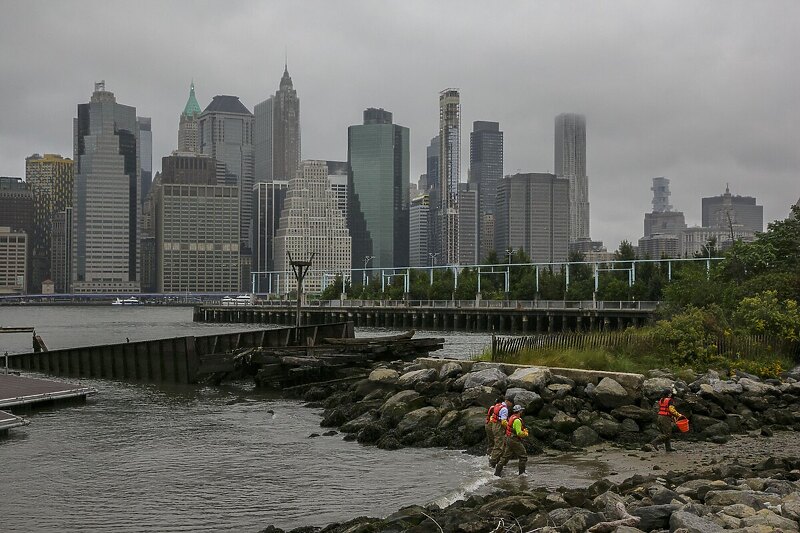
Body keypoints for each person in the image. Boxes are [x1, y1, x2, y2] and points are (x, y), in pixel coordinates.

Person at [494, 404, 529, 476]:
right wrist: (525, 433)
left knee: (505, 457)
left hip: (508, 438)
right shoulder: (517, 420)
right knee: (523, 456)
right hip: (514, 440)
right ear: (519, 412)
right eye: (521, 410)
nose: (522, 412)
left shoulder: (511, 417)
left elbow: (509, 427)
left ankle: (497, 474)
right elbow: (519, 433)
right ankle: (522, 474)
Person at [650, 388, 684, 452]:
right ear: (668, 394)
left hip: (659, 417)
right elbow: (672, 410)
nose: (671, 394)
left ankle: (668, 448)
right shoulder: (669, 400)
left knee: (665, 433)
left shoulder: (661, 400)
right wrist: (679, 415)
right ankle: (655, 441)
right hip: (665, 418)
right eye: (670, 393)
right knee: (667, 434)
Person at [489, 398, 513, 467]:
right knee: (499, 445)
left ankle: (493, 459)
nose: (511, 405)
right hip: (498, 427)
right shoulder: (505, 409)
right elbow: (503, 421)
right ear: (507, 401)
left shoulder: (498, 405)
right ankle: (492, 463)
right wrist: (509, 427)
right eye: (511, 403)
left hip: (493, 425)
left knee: (497, 443)